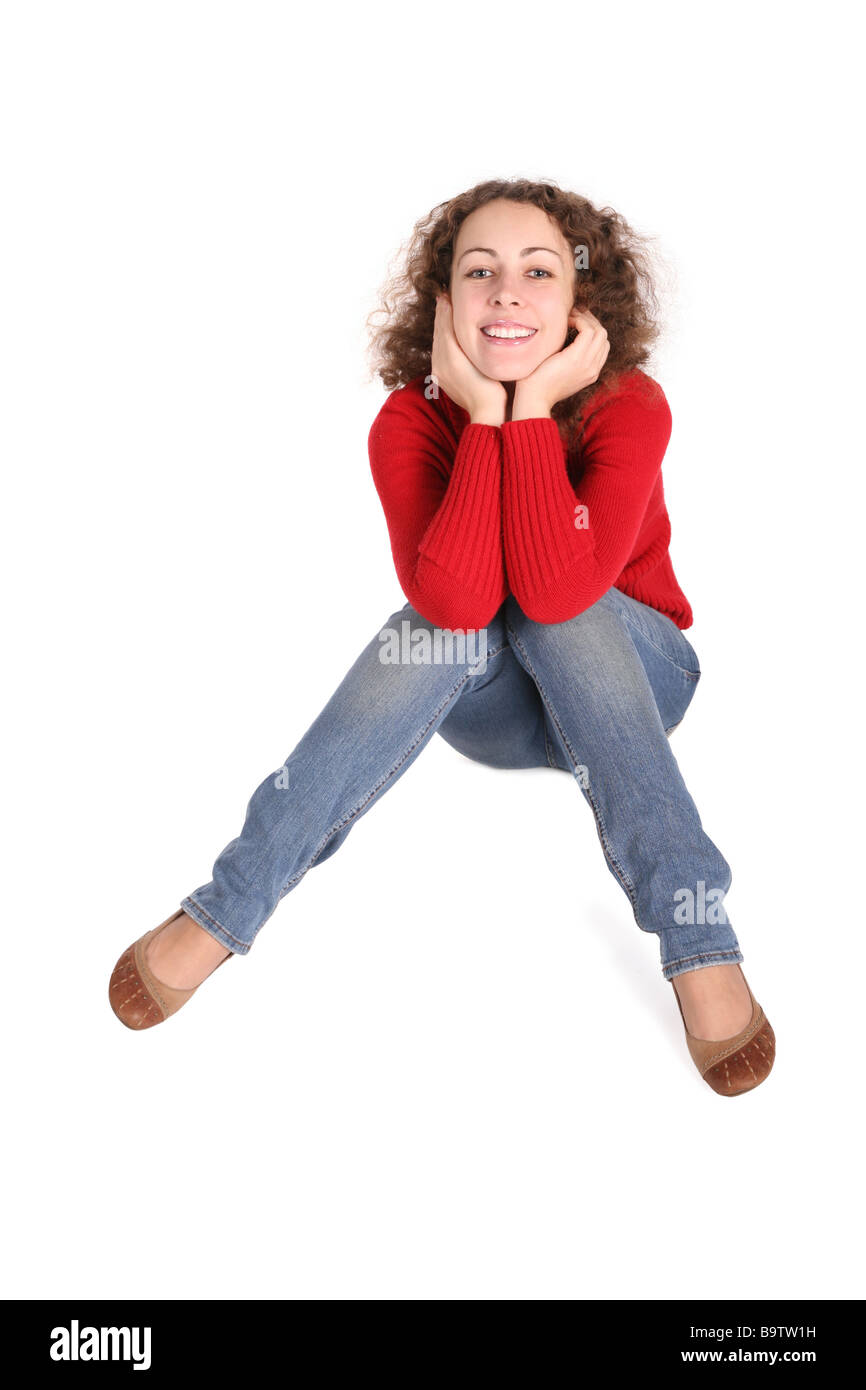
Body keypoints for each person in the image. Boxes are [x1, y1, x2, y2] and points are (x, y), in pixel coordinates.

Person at [109, 178, 775, 1097]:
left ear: (582, 304)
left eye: (539, 271)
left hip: (641, 674)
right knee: (436, 630)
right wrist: (490, 417)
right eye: (480, 271)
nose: (508, 292)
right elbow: (457, 607)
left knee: (560, 608)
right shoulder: (410, 421)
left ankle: (699, 939)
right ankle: (232, 901)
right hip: (495, 715)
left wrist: (534, 407)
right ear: (444, 304)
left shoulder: (631, 406)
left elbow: (558, 588)